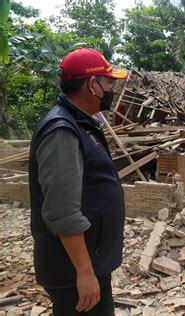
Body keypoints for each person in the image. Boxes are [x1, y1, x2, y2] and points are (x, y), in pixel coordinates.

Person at [28, 48, 128, 315]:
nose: (111, 89)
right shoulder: (62, 130)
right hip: (72, 270)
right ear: (91, 84)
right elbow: (62, 212)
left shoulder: (81, 123)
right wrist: (84, 273)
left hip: (89, 261)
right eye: (108, 82)